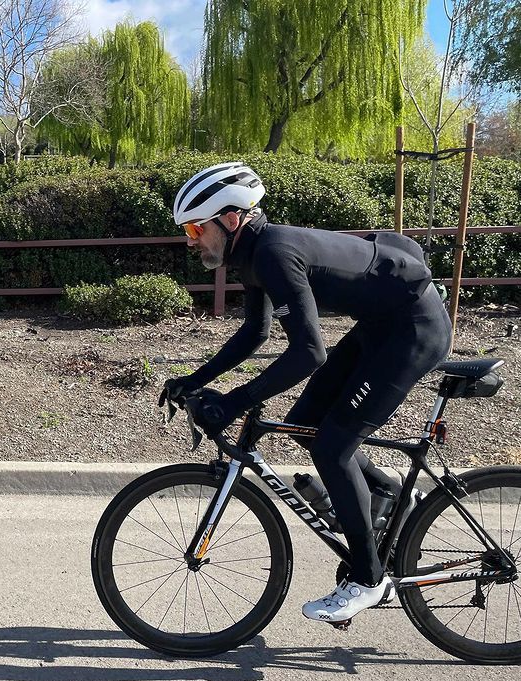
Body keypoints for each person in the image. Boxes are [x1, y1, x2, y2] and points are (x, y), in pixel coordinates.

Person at [161, 162, 452, 624]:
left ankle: (367, 580)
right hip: (382, 326)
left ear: (231, 219)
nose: (190, 239)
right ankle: (390, 496)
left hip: (414, 331)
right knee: (308, 423)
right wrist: (195, 380)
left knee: (334, 447)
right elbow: (255, 332)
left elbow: (309, 353)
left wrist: (233, 403)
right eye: (187, 229)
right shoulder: (252, 254)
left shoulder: (273, 253)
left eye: (197, 227)